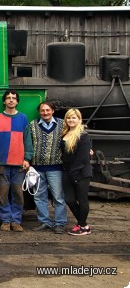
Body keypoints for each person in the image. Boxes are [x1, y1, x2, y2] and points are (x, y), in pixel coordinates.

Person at [0, 89, 33, 232]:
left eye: (14, 98)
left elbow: (27, 139)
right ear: (4, 101)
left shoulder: (23, 118)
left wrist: (27, 158)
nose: (11, 100)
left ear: (17, 101)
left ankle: (16, 221)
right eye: (8, 98)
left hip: (18, 164)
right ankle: (5, 220)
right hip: (2, 162)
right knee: (2, 193)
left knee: (18, 193)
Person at [30, 101, 67, 234]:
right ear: (39, 112)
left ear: (53, 111)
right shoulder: (33, 125)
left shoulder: (62, 124)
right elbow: (29, 144)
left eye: (48, 110)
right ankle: (44, 222)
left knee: (58, 197)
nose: (45, 113)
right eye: (42, 110)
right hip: (37, 168)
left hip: (55, 167)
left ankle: (60, 223)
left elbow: (75, 136)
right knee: (39, 197)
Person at [61, 108, 93, 236]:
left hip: (80, 173)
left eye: (74, 117)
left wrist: (74, 174)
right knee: (69, 199)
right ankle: (83, 224)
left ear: (79, 120)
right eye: (69, 117)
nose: (71, 120)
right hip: (67, 171)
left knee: (82, 199)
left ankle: (83, 225)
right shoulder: (65, 133)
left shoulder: (83, 135)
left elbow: (82, 158)